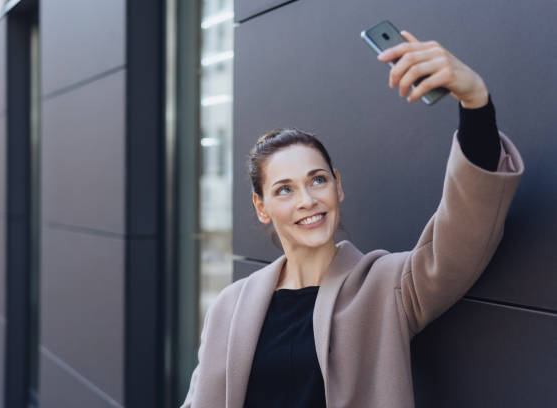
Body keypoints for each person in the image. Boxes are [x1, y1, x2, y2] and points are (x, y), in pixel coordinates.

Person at [181, 30, 525, 407]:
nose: (307, 200)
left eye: (317, 180)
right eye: (284, 189)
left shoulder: (386, 286)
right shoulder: (229, 307)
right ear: (261, 208)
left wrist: (475, 101)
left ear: (337, 187)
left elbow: (464, 233)